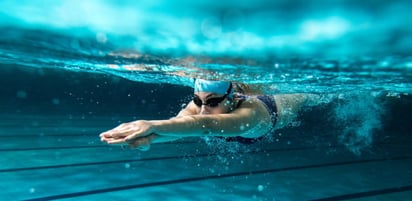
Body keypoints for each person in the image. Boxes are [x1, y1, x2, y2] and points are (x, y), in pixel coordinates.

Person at [100, 79, 320, 150]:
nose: (203, 108)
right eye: (198, 100)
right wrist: (149, 138)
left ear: (232, 98)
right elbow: (178, 126)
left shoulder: (251, 113)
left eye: (213, 102)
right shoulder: (201, 105)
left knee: (310, 95)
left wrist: (149, 124)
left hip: (284, 103)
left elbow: (207, 124)